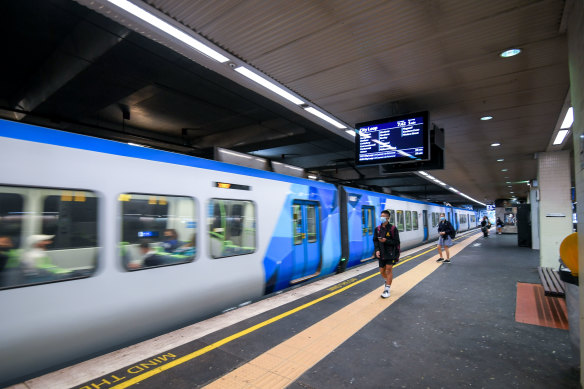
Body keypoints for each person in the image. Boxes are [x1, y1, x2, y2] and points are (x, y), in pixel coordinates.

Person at [374, 209, 400, 298]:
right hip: (381, 253)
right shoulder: (377, 229)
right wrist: (377, 250)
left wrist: (386, 241)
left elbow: (396, 242)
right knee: (382, 271)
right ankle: (387, 281)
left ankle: (387, 290)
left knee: (388, 270)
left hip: (390, 253)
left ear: (388, 218)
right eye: (381, 216)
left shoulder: (393, 229)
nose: (382, 218)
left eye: (383, 216)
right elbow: (375, 241)